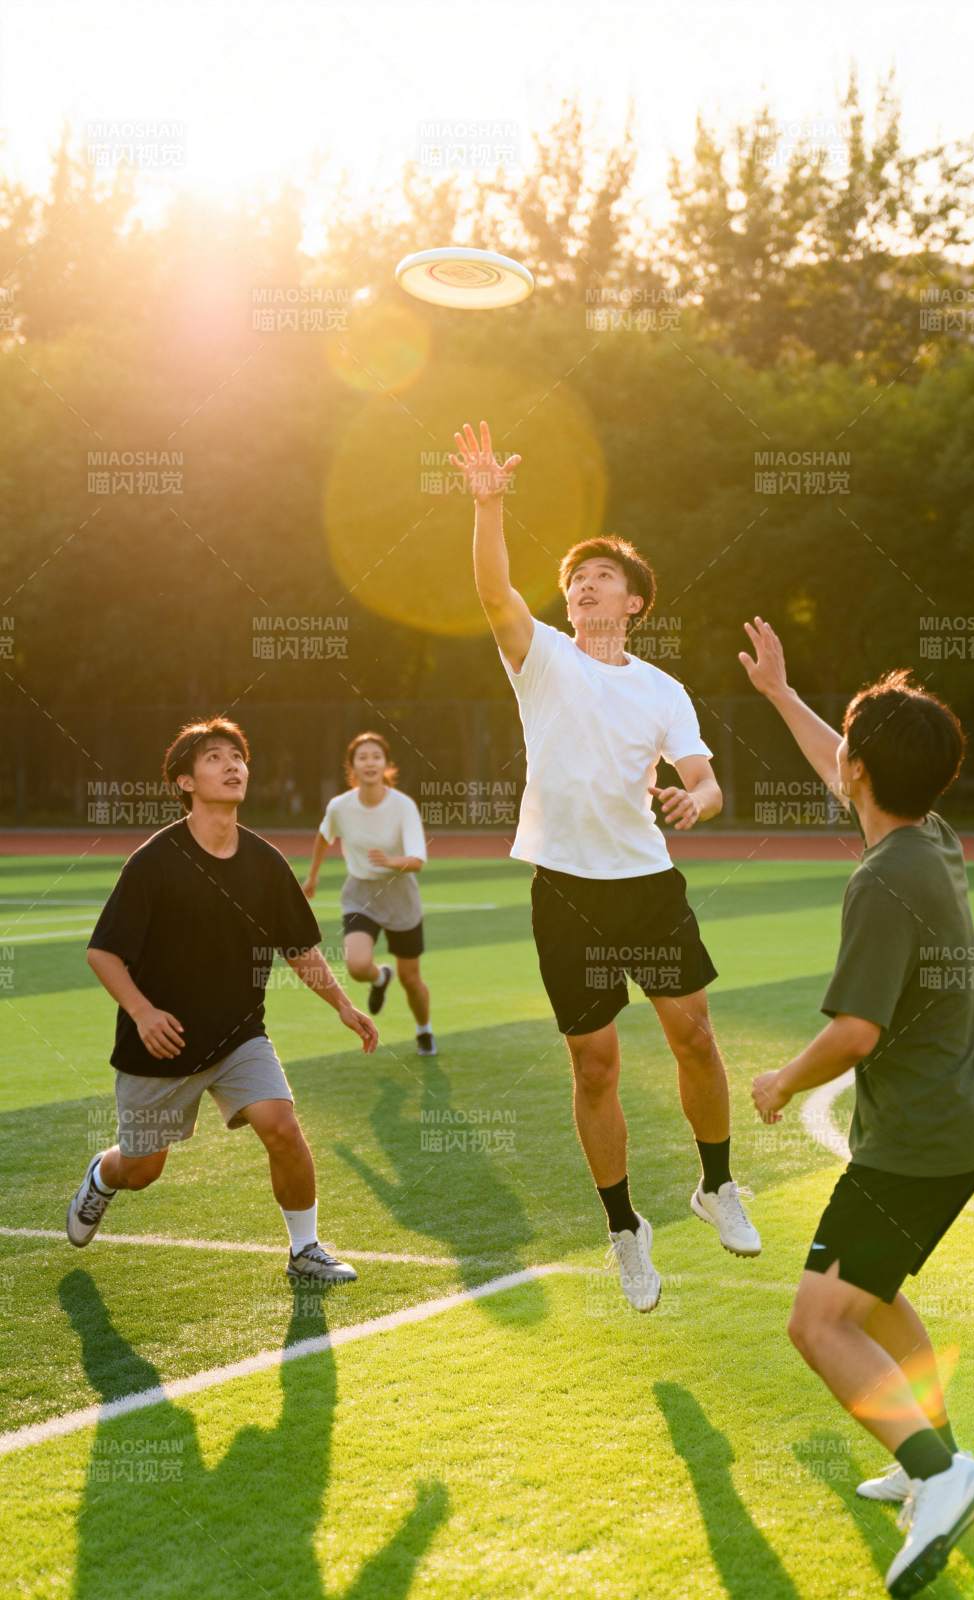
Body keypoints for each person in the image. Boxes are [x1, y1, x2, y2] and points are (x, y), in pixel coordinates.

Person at [451, 419, 760, 1314]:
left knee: (693, 1036)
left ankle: (716, 1184)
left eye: (603, 579)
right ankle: (626, 1230)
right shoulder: (540, 657)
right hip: (566, 891)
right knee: (594, 1066)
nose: (584, 587)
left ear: (632, 604)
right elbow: (492, 588)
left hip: (647, 887)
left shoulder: (663, 690)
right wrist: (489, 502)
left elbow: (706, 785)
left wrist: (689, 803)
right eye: (576, 580)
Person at [741, 619, 974, 1598]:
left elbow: (854, 1031)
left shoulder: (883, 882)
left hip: (914, 1143)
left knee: (819, 1323)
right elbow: (842, 762)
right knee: (878, 1296)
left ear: (859, 769)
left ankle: (942, 1475)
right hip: (960, 1128)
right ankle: (930, 1450)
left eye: (843, 751)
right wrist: (779, 692)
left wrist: (778, 1083)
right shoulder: (930, 834)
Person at [67, 717, 378, 1283]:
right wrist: (142, 1012)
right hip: (161, 1045)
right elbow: (102, 953)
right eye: (214, 758)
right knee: (142, 1170)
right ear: (185, 781)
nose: (232, 765)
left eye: (237, 756)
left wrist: (342, 1003)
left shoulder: (265, 862)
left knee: (282, 1127)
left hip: (239, 1035)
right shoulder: (154, 861)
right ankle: (103, 1176)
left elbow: (299, 948)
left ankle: (304, 1250)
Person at [303, 731, 435, 1055]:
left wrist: (391, 861)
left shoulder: (403, 806)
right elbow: (324, 837)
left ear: (387, 764)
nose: (370, 762)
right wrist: (312, 877)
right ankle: (379, 978)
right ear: (352, 767)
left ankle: (424, 1029)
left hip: (400, 893)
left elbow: (417, 861)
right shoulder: (340, 807)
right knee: (357, 966)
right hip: (360, 892)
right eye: (362, 757)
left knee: (411, 979)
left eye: (376, 756)